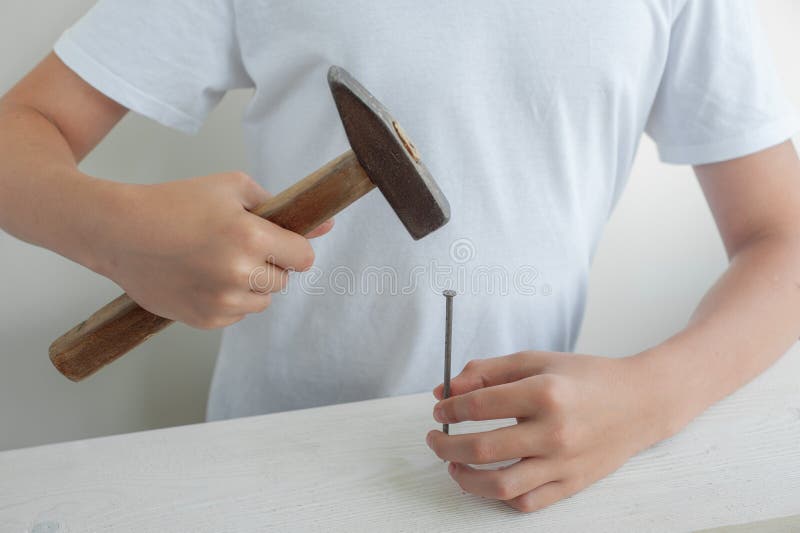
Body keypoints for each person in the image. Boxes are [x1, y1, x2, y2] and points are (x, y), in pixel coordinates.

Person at [1, 0, 799, 513]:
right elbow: (19, 132)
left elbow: (784, 239)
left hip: (522, 471)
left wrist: (652, 397)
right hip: (268, 478)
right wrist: (114, 231)